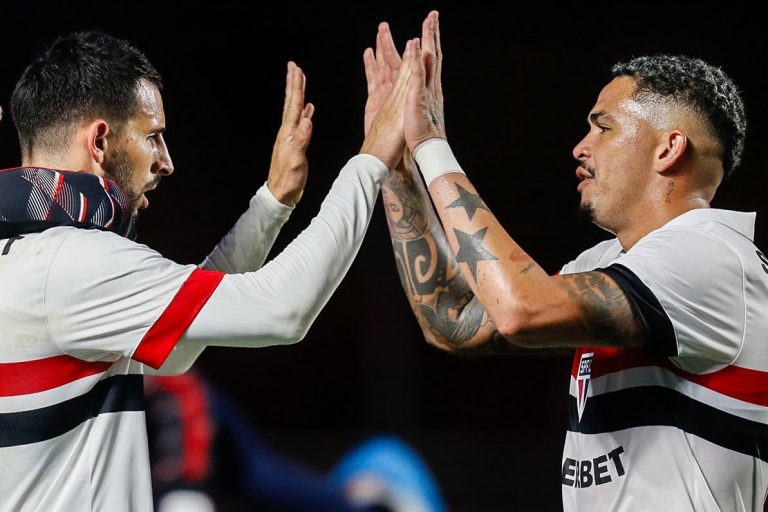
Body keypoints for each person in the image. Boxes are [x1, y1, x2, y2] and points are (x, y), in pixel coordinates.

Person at [0, 30, 418, 511]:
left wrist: (271, 204)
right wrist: (372, 160)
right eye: (153, 136)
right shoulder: (75, 265)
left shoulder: (33, 262)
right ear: (99, 140)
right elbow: (283, 310)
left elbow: (177, 349)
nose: (166, 162)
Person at [373, 11, 767, 511]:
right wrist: (397, 164)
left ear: (669, 149)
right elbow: (455, 320)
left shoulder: (709, 257)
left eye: (603, 127)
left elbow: (519, 308)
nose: (580, 147)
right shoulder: (613, 262)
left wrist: (430, 142)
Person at [144, 371, 447, 512]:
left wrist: (183, 488)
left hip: (183, 415)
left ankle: (368, 501)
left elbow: (177, 387)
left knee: (260, 482)